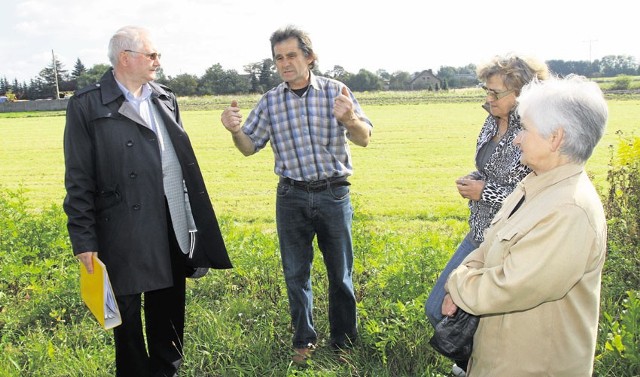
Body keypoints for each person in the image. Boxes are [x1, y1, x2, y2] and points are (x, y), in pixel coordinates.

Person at [63, 25, 232, 376]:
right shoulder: (87, 104)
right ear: (126, 58)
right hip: (119, 230)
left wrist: (193, 223)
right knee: (125, 326)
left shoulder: (165, 97)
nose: (158, 61)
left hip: (170, 224)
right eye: (151, 55)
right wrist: (83, 239)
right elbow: (78, 178)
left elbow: (181, 166)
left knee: (168, 317)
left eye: (157, 55)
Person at [220, 25, 372, 363]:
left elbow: (364, 138)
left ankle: (344, 343)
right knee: (295, 273)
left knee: (341, 273)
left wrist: (349, 119)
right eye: (278, 58)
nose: (285, 63)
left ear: (310, 57)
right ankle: (304, 341)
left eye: (291, 55)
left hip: (334, 193)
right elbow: (248, 147)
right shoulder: (270, 102)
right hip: (291, 196)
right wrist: (234, 131)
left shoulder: (337, 92)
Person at [442, 75, 608, 376]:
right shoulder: (535, 183)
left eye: (526, 129)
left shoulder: (569, 210)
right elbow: (490, 241)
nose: (517, 138)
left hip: (535, 365)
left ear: (555, 138)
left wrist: (457, 283)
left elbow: (509, 286)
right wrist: (466, 274)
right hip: (501, 358)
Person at [424, 54, 549, 374]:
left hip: (511, 241)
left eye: (495, 92)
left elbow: (535, 194)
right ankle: (473, 364)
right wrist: (476, 178)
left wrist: (485, 192)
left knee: (450, 310)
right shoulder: (492, 118)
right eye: (486, 90)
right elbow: (491, 168)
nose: (488, 98)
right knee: (439, 308)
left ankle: (476, 367)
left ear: (521, 92)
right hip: (479, 230)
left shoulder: (536, 132)